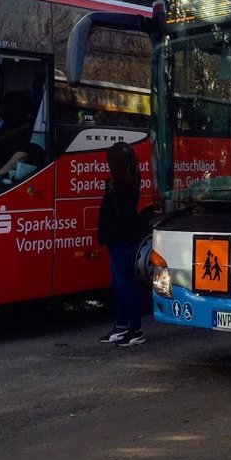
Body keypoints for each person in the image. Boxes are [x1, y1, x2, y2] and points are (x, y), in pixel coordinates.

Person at [98, 140, 146, 346]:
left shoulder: (121, 184)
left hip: (121, 240)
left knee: (126, 286)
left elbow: (116, 214)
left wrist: (107, 233)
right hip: (121, 239)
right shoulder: (128, 179)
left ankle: (135, 329)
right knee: (120, 285)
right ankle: (122, 325)